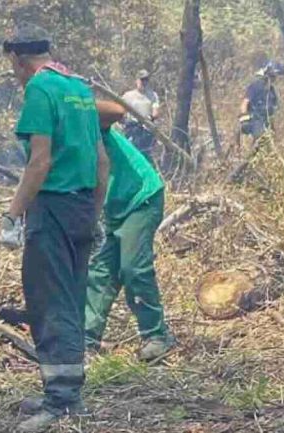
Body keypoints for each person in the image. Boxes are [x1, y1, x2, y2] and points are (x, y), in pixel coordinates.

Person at [0, 22, 109, 432]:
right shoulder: (79, 88)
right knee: (72, 298)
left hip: (53, 209)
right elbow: (102, 162)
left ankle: (59, 401)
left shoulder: (39, 91)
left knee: (49, 302)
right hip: (82, 206)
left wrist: (12, 215)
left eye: (12, 64)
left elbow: (39, 162)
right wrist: (94, 216)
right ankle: (69, 391)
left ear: (18, 58)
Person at [85, 101, 175, 363]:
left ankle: (157, 336)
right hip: (113, 205)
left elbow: (116, 110)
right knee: (102, 271)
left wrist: (73, 103)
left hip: (140, 196)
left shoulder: (86, 123)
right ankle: (86, 340)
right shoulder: (55, 144)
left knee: (133, 267)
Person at [121, 69, 161, 163]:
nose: (144, 82)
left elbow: (156, 111)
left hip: (147, 131)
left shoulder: (153, 95)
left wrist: (151, 118)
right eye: (142, 80)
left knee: (146, 156)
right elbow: (119, 111)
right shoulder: (128, 96)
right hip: (132, 131)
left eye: (146, 80)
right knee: (131, 155)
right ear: (137, 80)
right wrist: (124, 121)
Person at [239, 61, 279, 141]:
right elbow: (245, 103)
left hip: (268, 121)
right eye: (271, 76)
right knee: (260, 141)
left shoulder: (271, 90)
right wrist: (245, 119)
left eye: (274, 76)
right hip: (256, 119)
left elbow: (275, 106)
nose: (273, 78)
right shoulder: (256, 86)